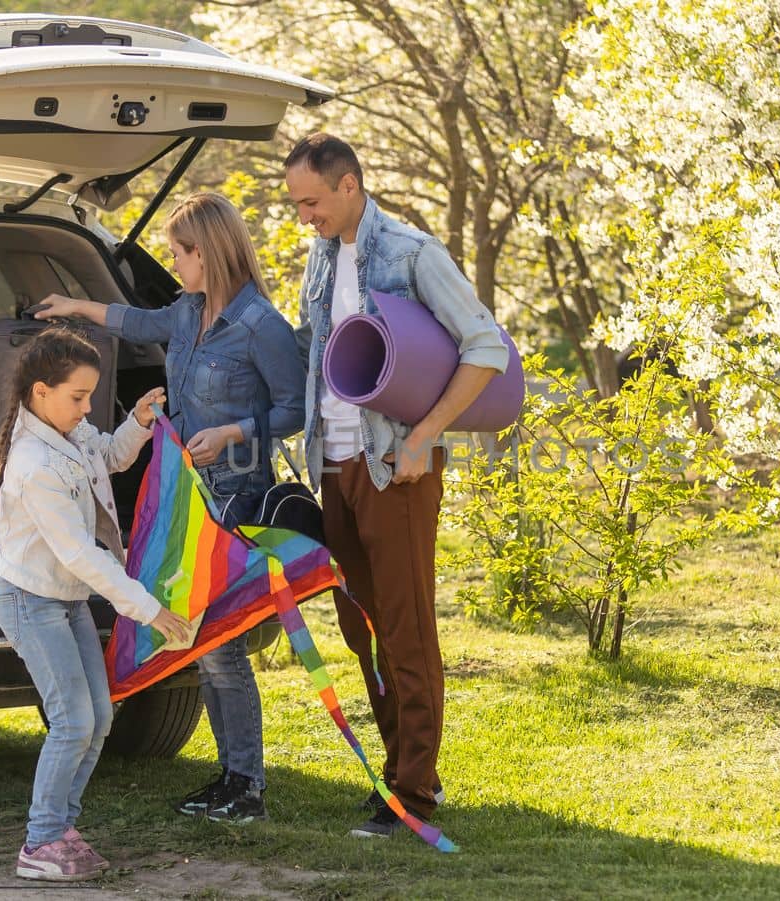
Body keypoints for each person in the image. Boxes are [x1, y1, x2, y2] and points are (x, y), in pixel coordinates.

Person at [34, 192, 306, 826]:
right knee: (203, 642)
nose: (174, 262)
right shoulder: (187, 313)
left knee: (220, 646)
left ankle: (247, 785)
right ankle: (234, 777)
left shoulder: (261, 325)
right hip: (187, 496)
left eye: (180, 253)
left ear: (208, 253)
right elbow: (133, 321)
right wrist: (74, 305)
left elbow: (294, 411)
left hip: (235, 498)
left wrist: (234, 432)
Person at [283, 133, 510, 838]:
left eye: (312, 202)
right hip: (335, 466)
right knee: (362, 625)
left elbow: (486, 345)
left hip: (396, 467)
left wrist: (422, 437)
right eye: (296, 204)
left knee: (405, 627)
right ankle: (394, 772)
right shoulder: (319, 261)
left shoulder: (412, 253)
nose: (304, 217)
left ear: (350, 184)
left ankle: (415, 787)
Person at [0, 327, 197, 882]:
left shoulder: (71, 436)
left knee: (98, 717)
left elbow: (108, 455)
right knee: (73, 720)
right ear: (40, 392)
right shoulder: (35, 465)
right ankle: (40, 842)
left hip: (68, 603)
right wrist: (148, 609)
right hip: (32, 603)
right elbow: (79, 553)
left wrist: (139, 423)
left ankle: (61, 828)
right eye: (77, 397)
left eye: (89, 397)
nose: (85, 408)